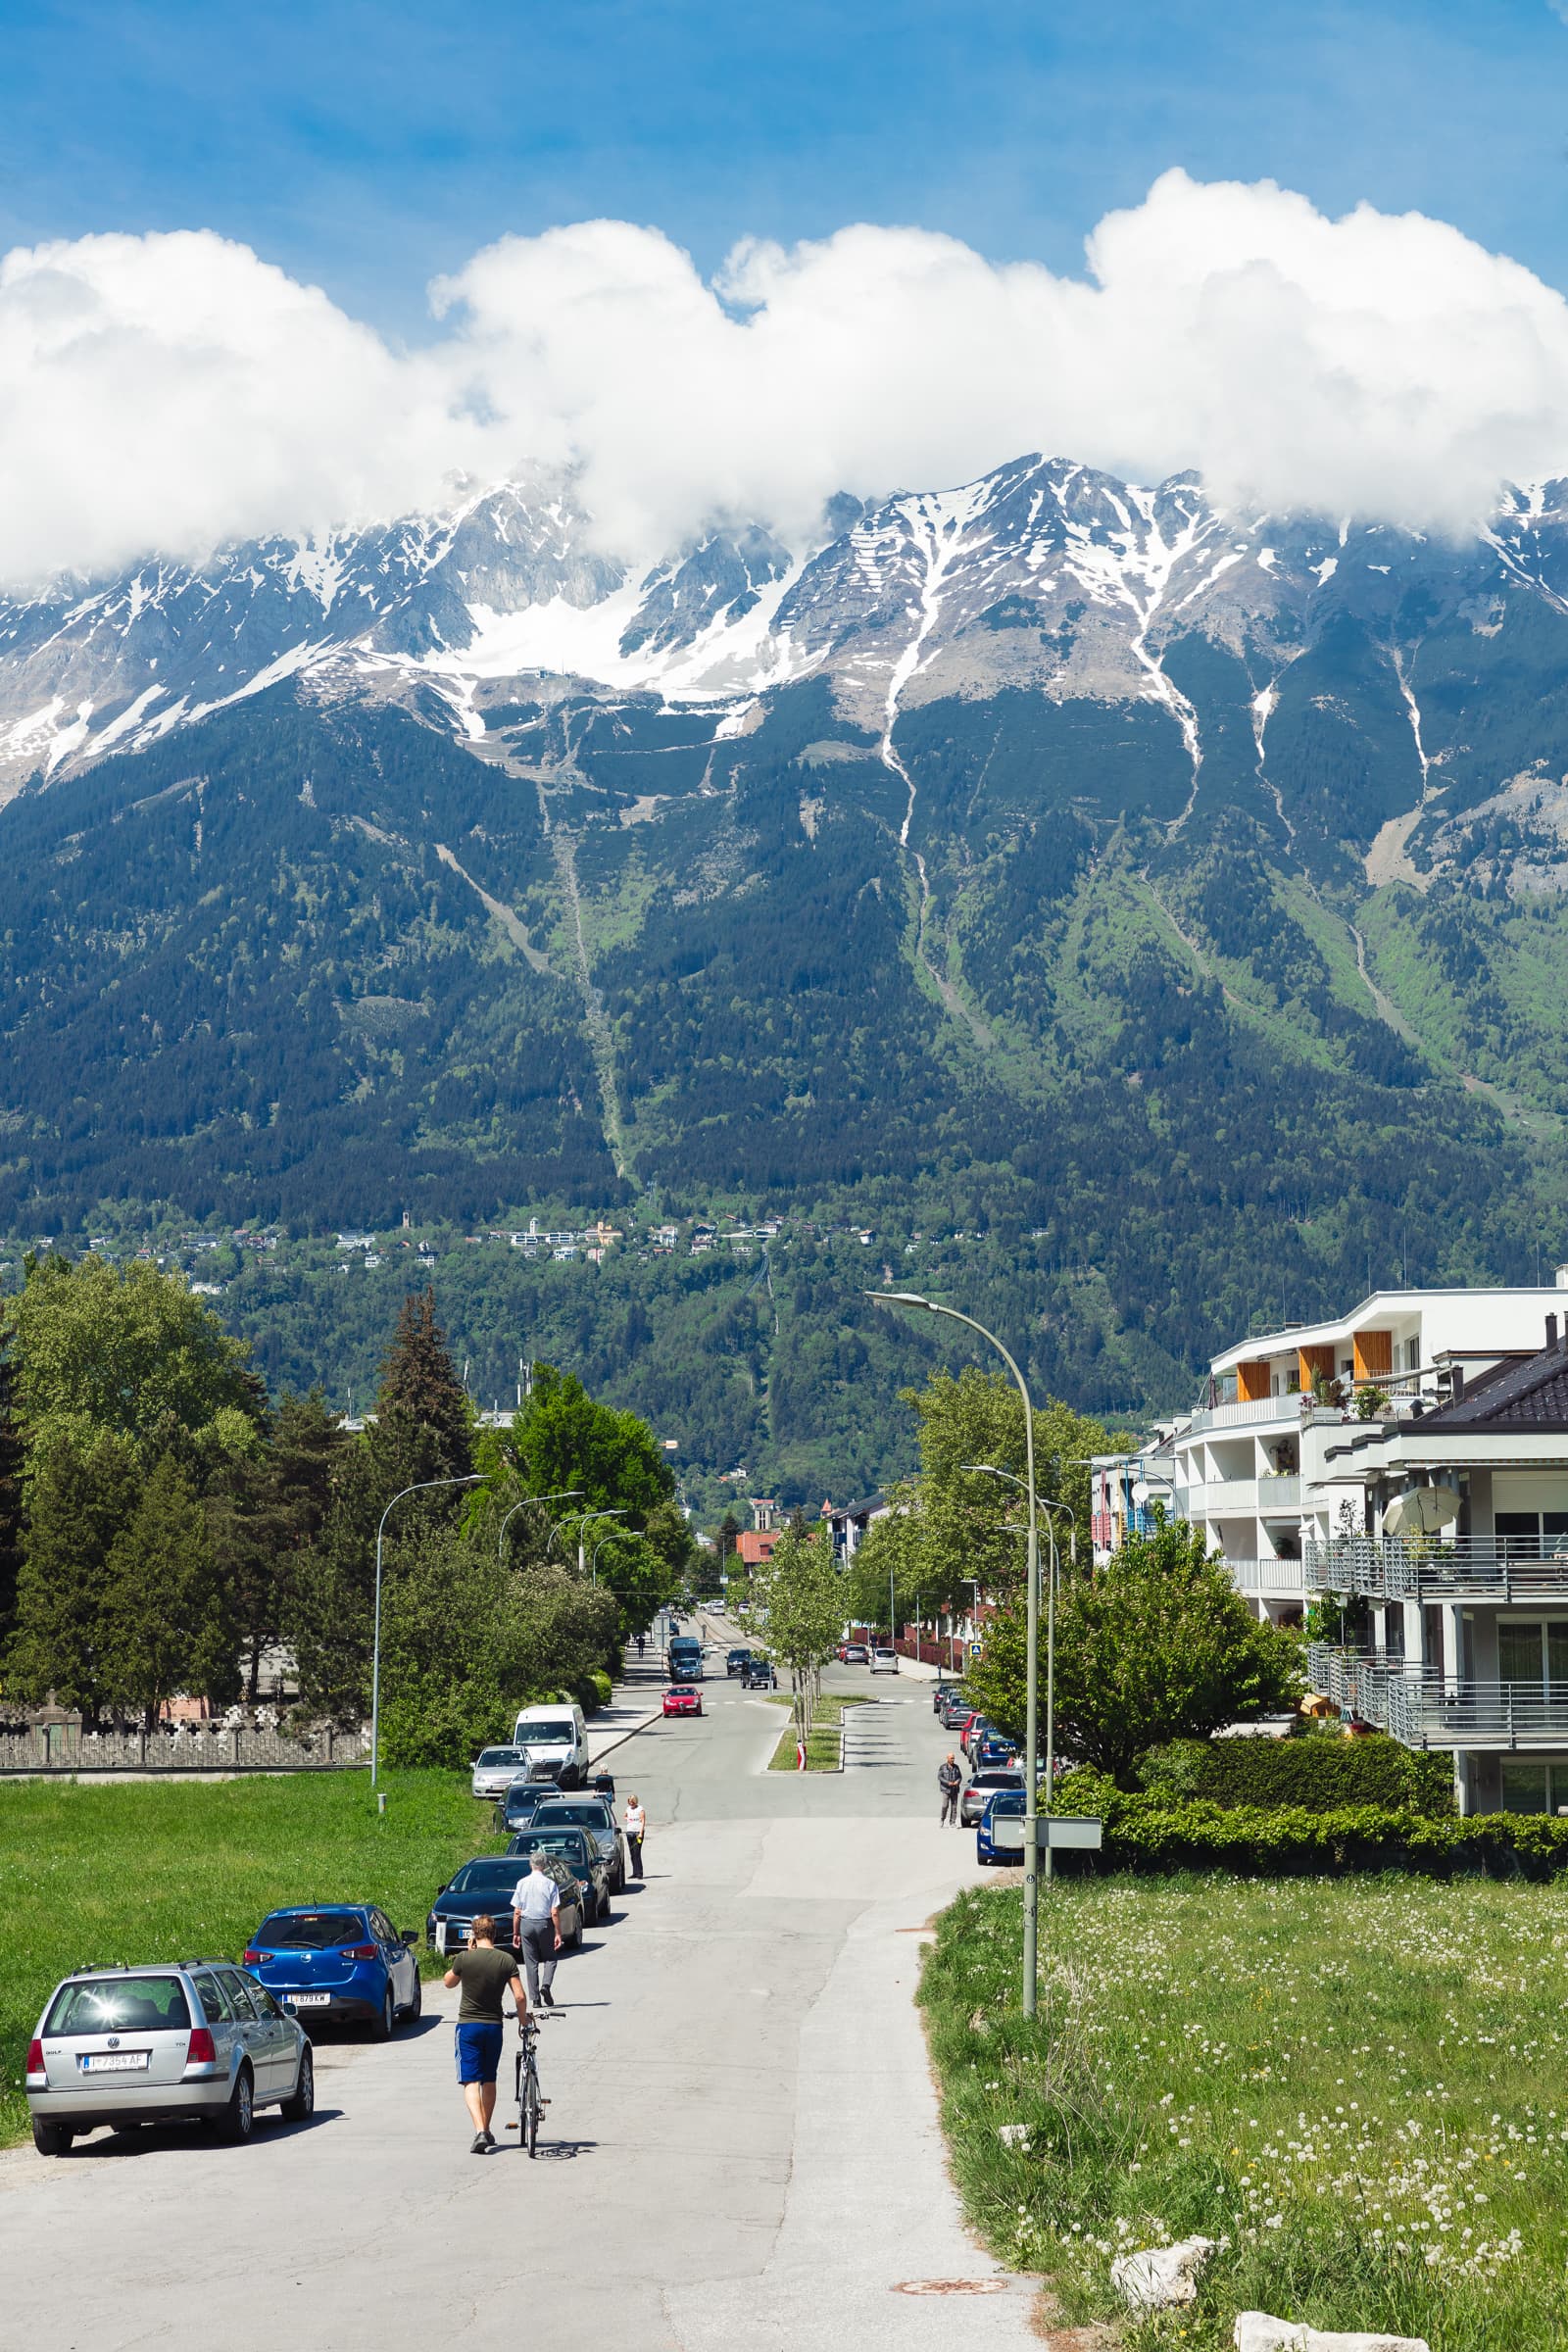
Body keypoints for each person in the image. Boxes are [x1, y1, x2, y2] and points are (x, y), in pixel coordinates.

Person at [442, 1914, 526, 2154]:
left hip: (468, 2026)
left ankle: (480, 2131)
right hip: (493, 2026)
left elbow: (448, 1982)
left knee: (470, 2080)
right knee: (489, 2079)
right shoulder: (506, 1960)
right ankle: (486, 2129)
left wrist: (467, 1953)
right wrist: (523, 2019)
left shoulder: (464, 1958)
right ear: (494, 1934)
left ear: (474, 1935)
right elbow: (520, 1996)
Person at [511, 1850, 564, 2007]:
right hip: (544, 1924)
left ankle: (535, 1999)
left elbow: (517, 1911)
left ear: (530, 1864)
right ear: (544, 1865)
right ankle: (545, 1986)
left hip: (526, 1924)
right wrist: (558, 1933)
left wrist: (515, 1933)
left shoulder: (522, 1883)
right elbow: (554, 1911)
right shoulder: (550, 1884)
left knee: (531, 1962)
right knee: (550, 1958)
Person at [623, 1792, 646, 1878]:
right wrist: (628, 1819)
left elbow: (643, 1821)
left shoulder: (640, 1809)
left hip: (637, 1833)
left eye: (632, 1802)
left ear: (635, 1802)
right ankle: (635, 1872)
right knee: (632, 1853)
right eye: (630, 1802)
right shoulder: (628, 1808)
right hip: (630, 1833)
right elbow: (625, 1816)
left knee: (637, 1852)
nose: (631, 1804)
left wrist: (641, 1833)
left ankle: (640, 1873)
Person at [938, 1750, 963, 1826]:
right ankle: (942, 1819)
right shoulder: (943, 1767)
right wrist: (947, 1782)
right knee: (945, 1806)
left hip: (954, 1789)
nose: (952, 1760)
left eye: (953, 1758)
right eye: (951, 1758)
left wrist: (957, 1782)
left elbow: (960, 1777)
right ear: (947, 1758)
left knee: (954, 1807)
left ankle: (952, 1822)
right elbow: (940, 1777)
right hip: (946, 1789)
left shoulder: (956, 1767)